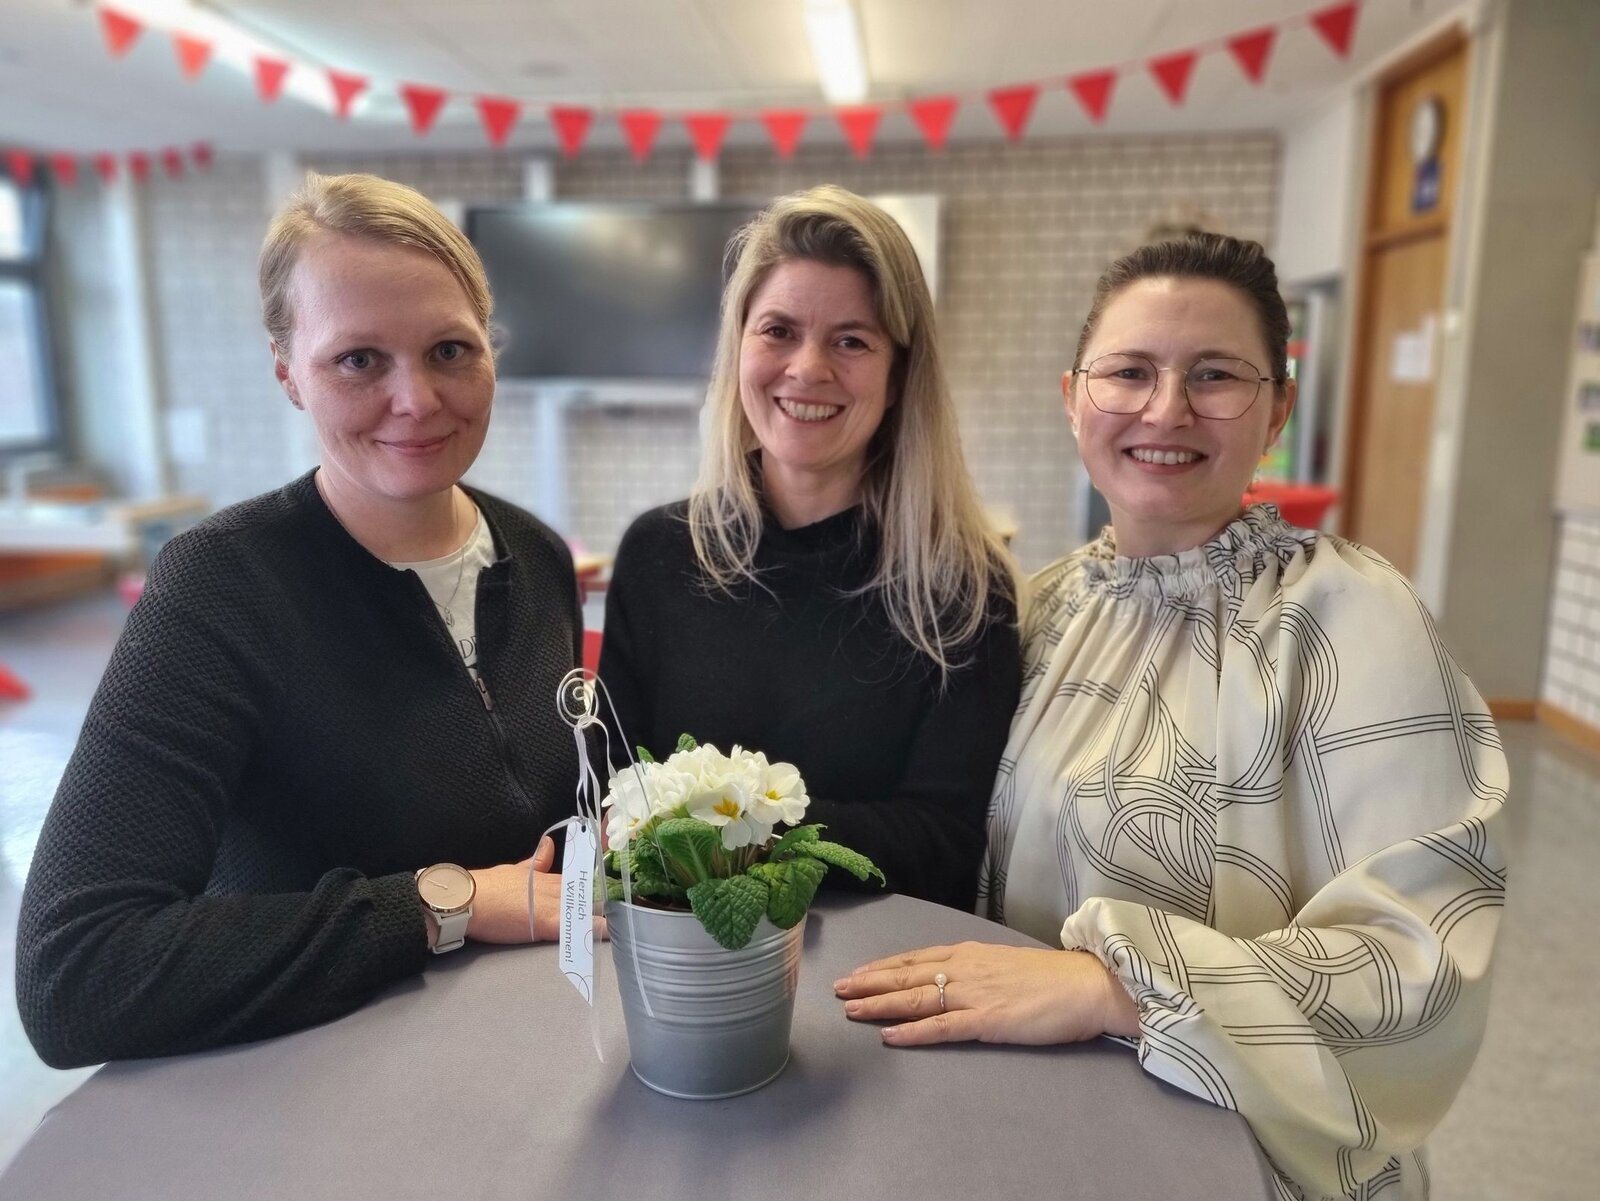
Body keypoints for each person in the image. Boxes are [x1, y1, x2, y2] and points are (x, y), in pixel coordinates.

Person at [833, 233, 1507, 1200]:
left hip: (1238, 1156)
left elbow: (1416, 961)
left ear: (1276, 407)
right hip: (1028, 1135)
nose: (1166, 409)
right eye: (1129, 372)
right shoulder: (1041, 608)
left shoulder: (1352, 619)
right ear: (1074, 400)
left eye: (1216, 375)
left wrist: (1117, 988)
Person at [17, 173, 583, 1068]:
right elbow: (76, 974)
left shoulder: (537, 553)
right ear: (287, 371)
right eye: (359, 360)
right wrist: (451, 903)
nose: (417, 399)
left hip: (531, 1057)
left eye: (449, 350)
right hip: (313, 1089)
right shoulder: (220, 589)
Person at [599, 185, 1021, 911]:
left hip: (880, 982)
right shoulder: (658, 555)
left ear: (898, 377)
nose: (807, 368)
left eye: (852, 340)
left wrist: (731, 823)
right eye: (778, 331)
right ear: (739, 349)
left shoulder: (962, 587)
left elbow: (945, 845)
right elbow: (614, 802)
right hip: (681, 971)